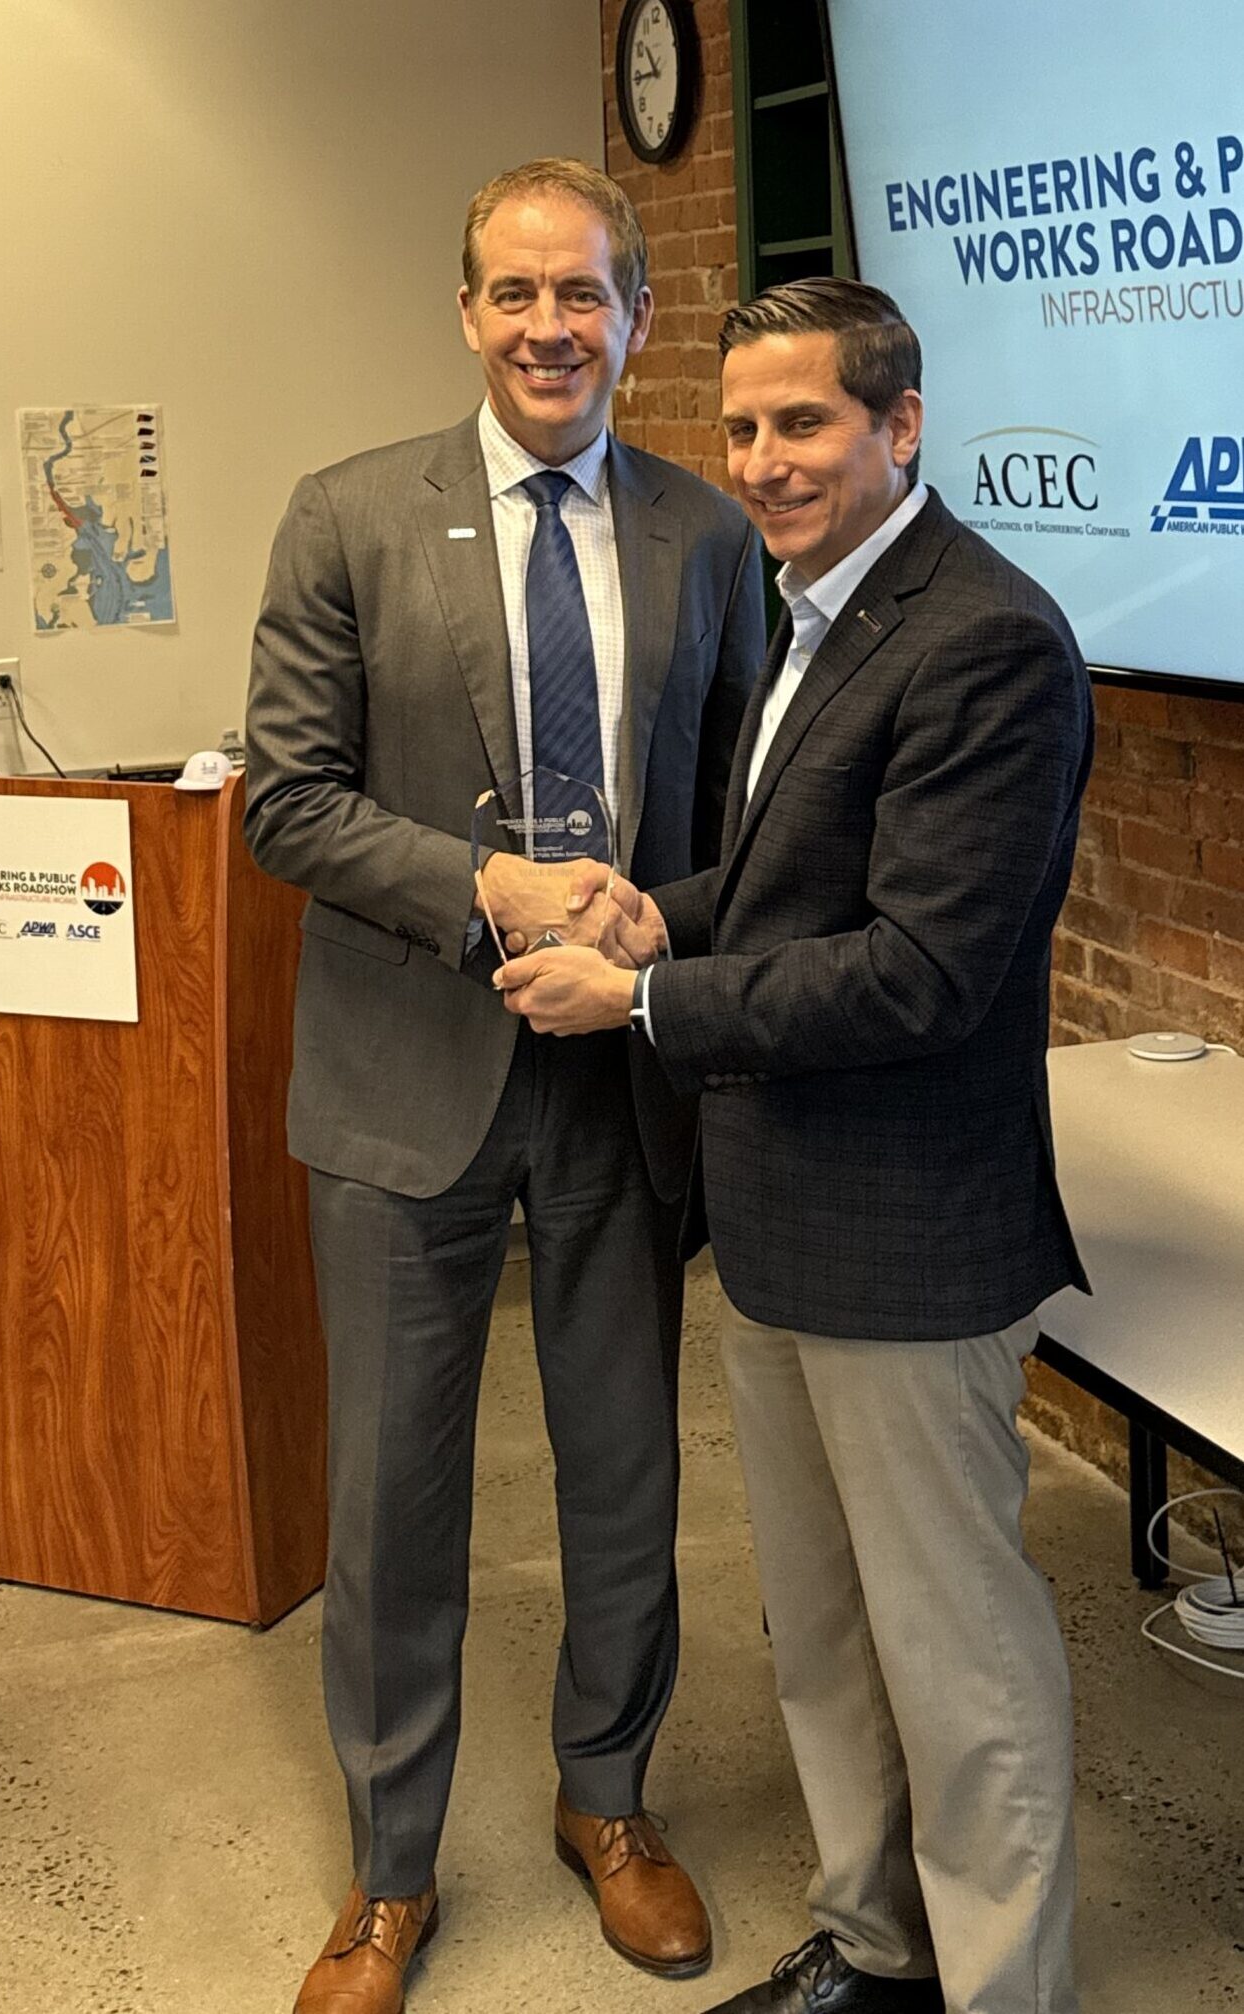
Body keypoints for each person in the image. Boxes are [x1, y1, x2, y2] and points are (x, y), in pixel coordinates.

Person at [496, 276, 1094, 2014]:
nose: (763, 459)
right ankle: (873, 1944)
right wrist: (656, 917)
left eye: (804, 422)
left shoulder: (983, 634)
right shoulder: (813, 609)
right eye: (742, 426)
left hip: (909, 1249)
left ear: (900, 425)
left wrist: (646, 1009)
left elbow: (917, 972)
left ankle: (1001, 1991)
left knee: (959, 1669)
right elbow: (785, 892)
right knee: (827, 1646)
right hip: (775, 1229)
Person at [244, 158, 764, 2014]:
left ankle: (607, 1805)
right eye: (515, 294)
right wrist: (487, 887)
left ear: (635, 317)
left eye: (586, 295)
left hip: (621, 1084)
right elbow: (284, 803)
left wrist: (647, 927)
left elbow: (736, 830)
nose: (551, 327)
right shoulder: (346, 515)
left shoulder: (708, 540)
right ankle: (388, 1879)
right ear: (465, 311)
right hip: (406, 1087)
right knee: (392, 1501)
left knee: (630, 1479)